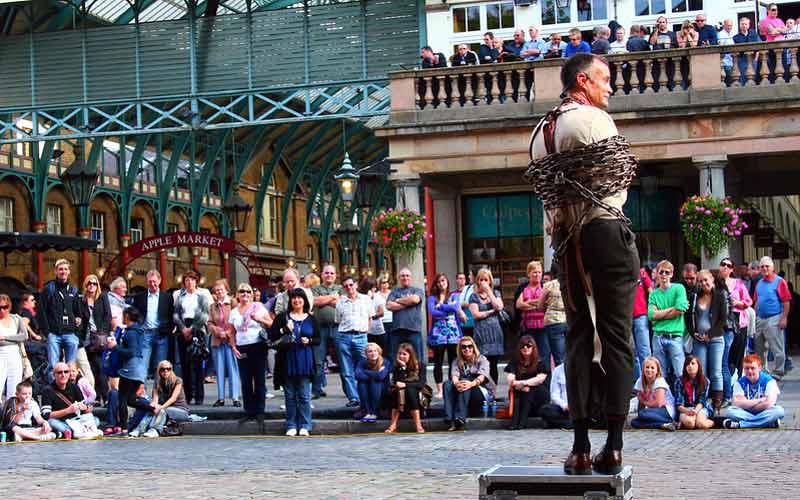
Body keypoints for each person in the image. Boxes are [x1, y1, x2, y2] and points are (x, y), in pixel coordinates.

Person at [525, 53, 639, 475]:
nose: (610, 87)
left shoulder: (541, 131)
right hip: (604, 230)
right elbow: (619, 177)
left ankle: (579, 447)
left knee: (577, 337)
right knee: (616, 337)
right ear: (581, 80)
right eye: (604, 79)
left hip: (565, 239)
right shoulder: (592, 121)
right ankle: (614, 445)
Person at [270, 288, 319, 437]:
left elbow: (318, 339)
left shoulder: (311, 319)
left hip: (305, 359)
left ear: (304, 301)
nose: (297, 301)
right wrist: (284, 329)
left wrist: (309, 341)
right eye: (294, 298)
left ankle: (305, 424)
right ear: (290, 301)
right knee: (289, 395)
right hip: (287, 360)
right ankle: (291, 424)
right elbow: (272, 336)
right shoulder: (282, 317)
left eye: (300, 298)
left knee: (304, 395)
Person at [230, 282, 272, 430]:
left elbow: (270, 323)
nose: (245, 294)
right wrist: (233, 347)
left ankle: (260, 411)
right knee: (246, 381)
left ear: (252, 294)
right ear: (237, 295)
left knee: (259, 380)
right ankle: (249, 411)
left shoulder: (258, 307)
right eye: (242, 292)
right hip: (242, 348)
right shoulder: (234, 312)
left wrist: (259, 319)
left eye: (248, 292)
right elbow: (231, 332)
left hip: (257, 346)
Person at [685, 270, 727, 410]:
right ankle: (701, 400)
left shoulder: (720, 296)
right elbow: (688, 317)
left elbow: (723, 319)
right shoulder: (694, 297)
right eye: (700, 281)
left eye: (706, 280)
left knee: (716, 371)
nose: (703, 283)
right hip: (699, 340)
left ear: (712, 280)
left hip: (716, 338)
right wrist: (693, 333)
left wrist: (710, 334)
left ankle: (717, 403)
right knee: (700, 371)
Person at [106, 306, 150, 432]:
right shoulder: (138, 331)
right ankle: (153, 408)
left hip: (130, 369)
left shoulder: (131, 333)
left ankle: (124, 428)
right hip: (138, 368)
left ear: (127, 316)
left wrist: (115, 347)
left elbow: (131, 351)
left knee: (122, 400)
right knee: (131, 399)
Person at [38, 259, 83, 381]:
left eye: (65, 269)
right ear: (56, 271)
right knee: (54, 367)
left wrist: (77, 331)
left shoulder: (73, 290)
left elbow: (78, 312)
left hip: (70, 334)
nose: (63, 271)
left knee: (70, 368)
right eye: (60, 269)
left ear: (69, 271)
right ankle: (53, 394)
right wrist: (47, 333)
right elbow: (41, 312)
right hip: (54, 334)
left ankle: (69, 392)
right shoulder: (49, 289)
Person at [334, 275, 373, 408]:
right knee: (346, 369)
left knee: (364, 366)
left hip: (361, 336)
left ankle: (366, 394)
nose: (349, 288)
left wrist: (365, 332)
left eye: (351, 284)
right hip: (344, 336)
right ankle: (353, 397)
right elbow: (338, 320)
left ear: (356, 284)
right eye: (346, 286)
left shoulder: (366, 299)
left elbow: (370, 318)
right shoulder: (340, 302)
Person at [649, 260, 689, 386]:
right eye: (661, 272)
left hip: (675, 336)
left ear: (671, 274)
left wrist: (660, 314)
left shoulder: (679, 288)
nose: (664, 275)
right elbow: (651, 315)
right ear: (657, 274)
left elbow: (681, 309)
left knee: (680, 372)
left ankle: (681, 401)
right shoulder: (654, 294)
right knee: (660, 374)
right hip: (658, 337)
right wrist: (672, 309)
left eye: (667, 272)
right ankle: (664, 401)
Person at [172, 270, 209, 405]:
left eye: (192, 280)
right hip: (182, 329)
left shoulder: (202, 297)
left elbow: (204, 315)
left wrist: (192, 329)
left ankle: (199, 395)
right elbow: (175, 315)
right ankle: (187, 395)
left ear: (196, 281)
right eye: (187, 280)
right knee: (185, 364)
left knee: (198, 365)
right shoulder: (180, 297)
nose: (190, 282)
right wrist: (183, 329)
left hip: (197, 329)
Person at [719, 258, 752, 406]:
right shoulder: (716, 283)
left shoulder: (738, 284)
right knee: (725, 358)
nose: (725, 267)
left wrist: (736, 303)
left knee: (737, 357)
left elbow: (748, 302)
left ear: (732, 269)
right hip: (722, 323)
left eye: (729, 265)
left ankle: (737, 389)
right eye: (723, 264)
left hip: (739, 322)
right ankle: (726, 390)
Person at [443, 336, 495, 431]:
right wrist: (456, 384)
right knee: (447, 384)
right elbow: (454, 375)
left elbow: (482, 377)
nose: (467, 349)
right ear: (460, 349)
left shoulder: (482, 359)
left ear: (473, 347)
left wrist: (470, 384)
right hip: (464, 389)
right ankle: (449, 418)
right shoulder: (456, 361)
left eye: (470, 346)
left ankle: (460, 417)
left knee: (465, 381)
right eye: (464, 347)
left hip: (481, 390)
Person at [753, 256, 791, 380]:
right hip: (760, 318)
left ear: (773, 267)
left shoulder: (779, 281)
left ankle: (778, 372)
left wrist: (784, 318)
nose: (764, 268)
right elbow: (756, 301)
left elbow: (786, 301)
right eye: (762, 267)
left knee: (777, 347)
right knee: (759, 347)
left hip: (774, 317)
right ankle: (763, 370)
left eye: (767, 266)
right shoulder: (759, 282)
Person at [132, 270, 174, 379]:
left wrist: (167, 330)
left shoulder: (167, 297)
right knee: (143, 364)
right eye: (150, 281)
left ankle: (159, 393)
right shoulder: (139, 297)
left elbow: (171, 316)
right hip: (145, 334)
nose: (152, 284)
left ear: (159, 281)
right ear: (146, 282)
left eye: (154, 281)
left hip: (161, 334)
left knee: (160, 367)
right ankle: (143, 393)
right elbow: (135, 316)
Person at [723, 354, 784, 429]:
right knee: (730, 412)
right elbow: (737, 403)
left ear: (759, 368)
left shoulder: (769, 381)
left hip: (764, 411)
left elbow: (769, 403)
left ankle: (740, 425)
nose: (749, 371)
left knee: (779, 411)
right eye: (746, 368)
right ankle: (767, 423)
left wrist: (747, 404)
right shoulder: (739, 382)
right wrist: (760, 400)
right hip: (746, 412)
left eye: (752, 368)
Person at [427, 273, 463, 399]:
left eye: (443, 280)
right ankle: (440, 390)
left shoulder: (454, 295)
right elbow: (433, 312)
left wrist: (441, 306)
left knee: (453, 361)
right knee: (438, 362)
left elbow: (455, 307)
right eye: (439, 281)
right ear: (436, 284)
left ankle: (451, 386)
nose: (441, 283)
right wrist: (447, 308)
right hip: (438, 334)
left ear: (447, 282)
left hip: (453, 333)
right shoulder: (432, 298)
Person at [207, 280, 240, 407]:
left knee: (233, 369)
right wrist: (216, 330)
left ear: (226, 290)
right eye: (216, 290)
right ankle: (221, 398)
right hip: (217, 340)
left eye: (221, 289)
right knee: (219, 369)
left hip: (231, 340)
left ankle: (235, 397)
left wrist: (228, 332)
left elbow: (237, 319)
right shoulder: (212, 306)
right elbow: (209, 323)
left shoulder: (233, 303)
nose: (219, 292)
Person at [469, 268, 505, 385]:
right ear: (477, 281)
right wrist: (490, 312)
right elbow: (475, 315)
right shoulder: (473, 297)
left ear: (490, 281)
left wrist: (489, 292)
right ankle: (483, 390)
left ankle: (493, 392)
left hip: (495, 333)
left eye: (486, 279)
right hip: (481, 334)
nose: (483, 282)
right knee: (482, 363)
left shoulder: (495, 293)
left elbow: (499, 307)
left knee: (493, 364)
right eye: (481, 280)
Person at [505, 335, 549, 430]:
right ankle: (516, 422)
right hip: (522, 393)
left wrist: (523, 383)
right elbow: (510, 378)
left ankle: (520, 422)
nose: (525, 348)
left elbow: (539, 379)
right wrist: (519, 385)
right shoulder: (515, 362)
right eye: (522, 346)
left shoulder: (541, 362)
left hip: (539, 397)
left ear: (533, 347)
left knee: (530, 390)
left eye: (528, 346)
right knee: (521, 392)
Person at [311, 265, 342, 400]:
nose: (329, 275)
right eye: (326, 273)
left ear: (335, 275)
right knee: (318, 360)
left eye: (332, 273)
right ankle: (316, 390)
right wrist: (332, 298)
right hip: (319, 328)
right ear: (322, 275)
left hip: (338, 328)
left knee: (343, 360)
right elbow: (314, 301)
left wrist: (324, 300)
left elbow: (341, 303)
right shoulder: (315, 289)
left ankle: (351, 393)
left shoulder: (341, 288)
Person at [41, 361, 94, 437]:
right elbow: (46, 415)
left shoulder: (74, 387)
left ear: (69, 374)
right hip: (59, 420)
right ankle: (73, 431)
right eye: (59, 372)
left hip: (74, 420)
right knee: (51, 422)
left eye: (66, 372)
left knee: (95, 419)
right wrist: (67, 410)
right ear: (54, 375)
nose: (63, 375)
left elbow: (84, 406)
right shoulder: (47, 390)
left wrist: (86, 408)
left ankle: (68, 431)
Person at [80, 275, 111, 405]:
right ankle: (96, 397)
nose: (91, 285)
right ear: (85, 286)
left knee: (100, 367)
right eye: (89, 283)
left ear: (97, 285)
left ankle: (106, 397)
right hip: (86, 338)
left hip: (99, 338)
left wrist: (102, 332)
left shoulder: (102, 297)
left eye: (94, 283)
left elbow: (107, 316)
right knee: (91, 369)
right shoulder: (81, 300)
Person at [384, 342, 426, 434]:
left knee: (409, 391)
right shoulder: (396, 367)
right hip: (400, 394)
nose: (401, 356)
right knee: (398, 391)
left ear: (410, 355)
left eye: (404, 354)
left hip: (416, 394)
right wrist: (402, 368)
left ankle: (418, 424)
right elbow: (396, 382)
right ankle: (393, 424)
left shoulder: (420, 365)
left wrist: (406, 385)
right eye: (399, 353)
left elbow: (421, 384)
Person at [386, 268, 425, 364]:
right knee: (395, 357)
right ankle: (398, 378)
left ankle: (420, 378)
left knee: (417, 357)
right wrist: (408, 302)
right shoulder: (394, 292)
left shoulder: (417, 290)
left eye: (407, 275)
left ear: (411, 278)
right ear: (399, 278)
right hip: (397, 330)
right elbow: (389, 305)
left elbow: (415, 300)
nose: (405, 278)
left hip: (414, 329)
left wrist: (398, 300)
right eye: (403, 275)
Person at [631, 357, 676, 431]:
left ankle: (670, 421)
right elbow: (641, 405)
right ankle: (663, 425)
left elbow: (659, 404)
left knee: (643, 414)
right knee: (634, 422)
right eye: (647, 367)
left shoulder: (659, 381)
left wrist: (644, 403)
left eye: (652, 368)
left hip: (667, 410)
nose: (649, 370)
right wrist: (641, 413)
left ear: (657, 371)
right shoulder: (640, 381)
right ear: (643, 369)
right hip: (653, 411)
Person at [516, 261, 546, 362]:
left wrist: (528, 302)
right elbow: (519, 305)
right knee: (528, 355)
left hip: (543, 327)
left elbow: (546, 304)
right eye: (534, 272)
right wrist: (538, 304)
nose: (537, 275)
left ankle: (544, 377)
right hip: (528, 327)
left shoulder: (545, 287)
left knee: (543, 354)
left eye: (539, 272)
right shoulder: (523, 288)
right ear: (528, 273)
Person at [150, 360, 190, 435]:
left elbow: (173, 398)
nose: (165, 371)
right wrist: (154, 406)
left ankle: (155, 430)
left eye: (168, 369)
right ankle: (140, 429)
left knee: (163, 410)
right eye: (162, 369)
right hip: (166, 409)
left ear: (171, 370)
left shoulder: (178, 380)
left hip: (181, 410)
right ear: (159, 371)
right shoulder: (157, 382)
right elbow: (155, 399)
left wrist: (161, 407)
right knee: (150, 409)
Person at [674, 355, 714, 430]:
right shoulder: (679, 381)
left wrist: (695, 411)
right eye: (687, 364)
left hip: (700, 408)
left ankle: (713, 422)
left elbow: (702, 401)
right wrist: (687, 411)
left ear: (698, 366)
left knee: (701, 424)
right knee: (690, 424)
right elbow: (678, 404)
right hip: (685, 408)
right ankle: (686, 422)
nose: (690, 366)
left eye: (693, 363)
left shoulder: (705, 381)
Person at [539, 264, 567, 368]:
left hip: (553, 321)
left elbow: (540, 305)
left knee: (559, 357)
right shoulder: (571, 283)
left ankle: (561, 382)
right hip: (569, 320)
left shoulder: (549, 285)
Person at [0, 294, 26, 402]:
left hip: (15, 355)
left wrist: (5, 338)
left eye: (5, 307)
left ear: (9, 306)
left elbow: (24, 336)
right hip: (1, 355)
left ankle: (11, 416)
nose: (2, 310)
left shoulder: (16, 319)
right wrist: (14, 339)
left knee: (14, 390)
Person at [355, 342, 390, 423]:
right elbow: (358, 375)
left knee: (375, 382)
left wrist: (366, 372)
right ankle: (367, 412)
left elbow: (380, 376)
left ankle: (374, 412)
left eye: (375, 351)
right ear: (366, 354)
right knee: (361, 383)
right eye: (370, 351)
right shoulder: (362, 362)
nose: (373, 353)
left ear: (379, 352)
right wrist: (376, 373)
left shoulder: (385, 362)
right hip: (367, 389)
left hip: (383, 391)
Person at [631, 267, 653, 381]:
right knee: (632, 352)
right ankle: (638, 383)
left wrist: (652, 309)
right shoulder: (618, 271)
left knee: (644, 350)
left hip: (641, 315)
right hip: (625, 317)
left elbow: (651, 291)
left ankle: (649, 381)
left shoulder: (641, 272)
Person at [539, 363, 571, 428]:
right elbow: (554, 395)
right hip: (564, 408)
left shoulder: (585, 369)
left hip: (582, 408)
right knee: (545, 410)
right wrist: (564, 405)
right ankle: (572, 423)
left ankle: (568, 424)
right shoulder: (558, 370)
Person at [361, 277, 387, 352]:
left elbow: (381, 312)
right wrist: (368, 299)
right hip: (365, 330)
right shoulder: (361, 297)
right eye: (372, 287)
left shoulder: (377, 296)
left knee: (380, 351)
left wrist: (370, 316)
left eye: (375, 287)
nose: (374, 289)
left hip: (377, 329)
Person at [455, 271, 475, 339]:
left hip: (477, 323)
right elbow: (459, 303)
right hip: (466, 321)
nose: (468, 277)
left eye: (470, 275)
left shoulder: (481, 288)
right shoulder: (467, 288)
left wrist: (468, 303)